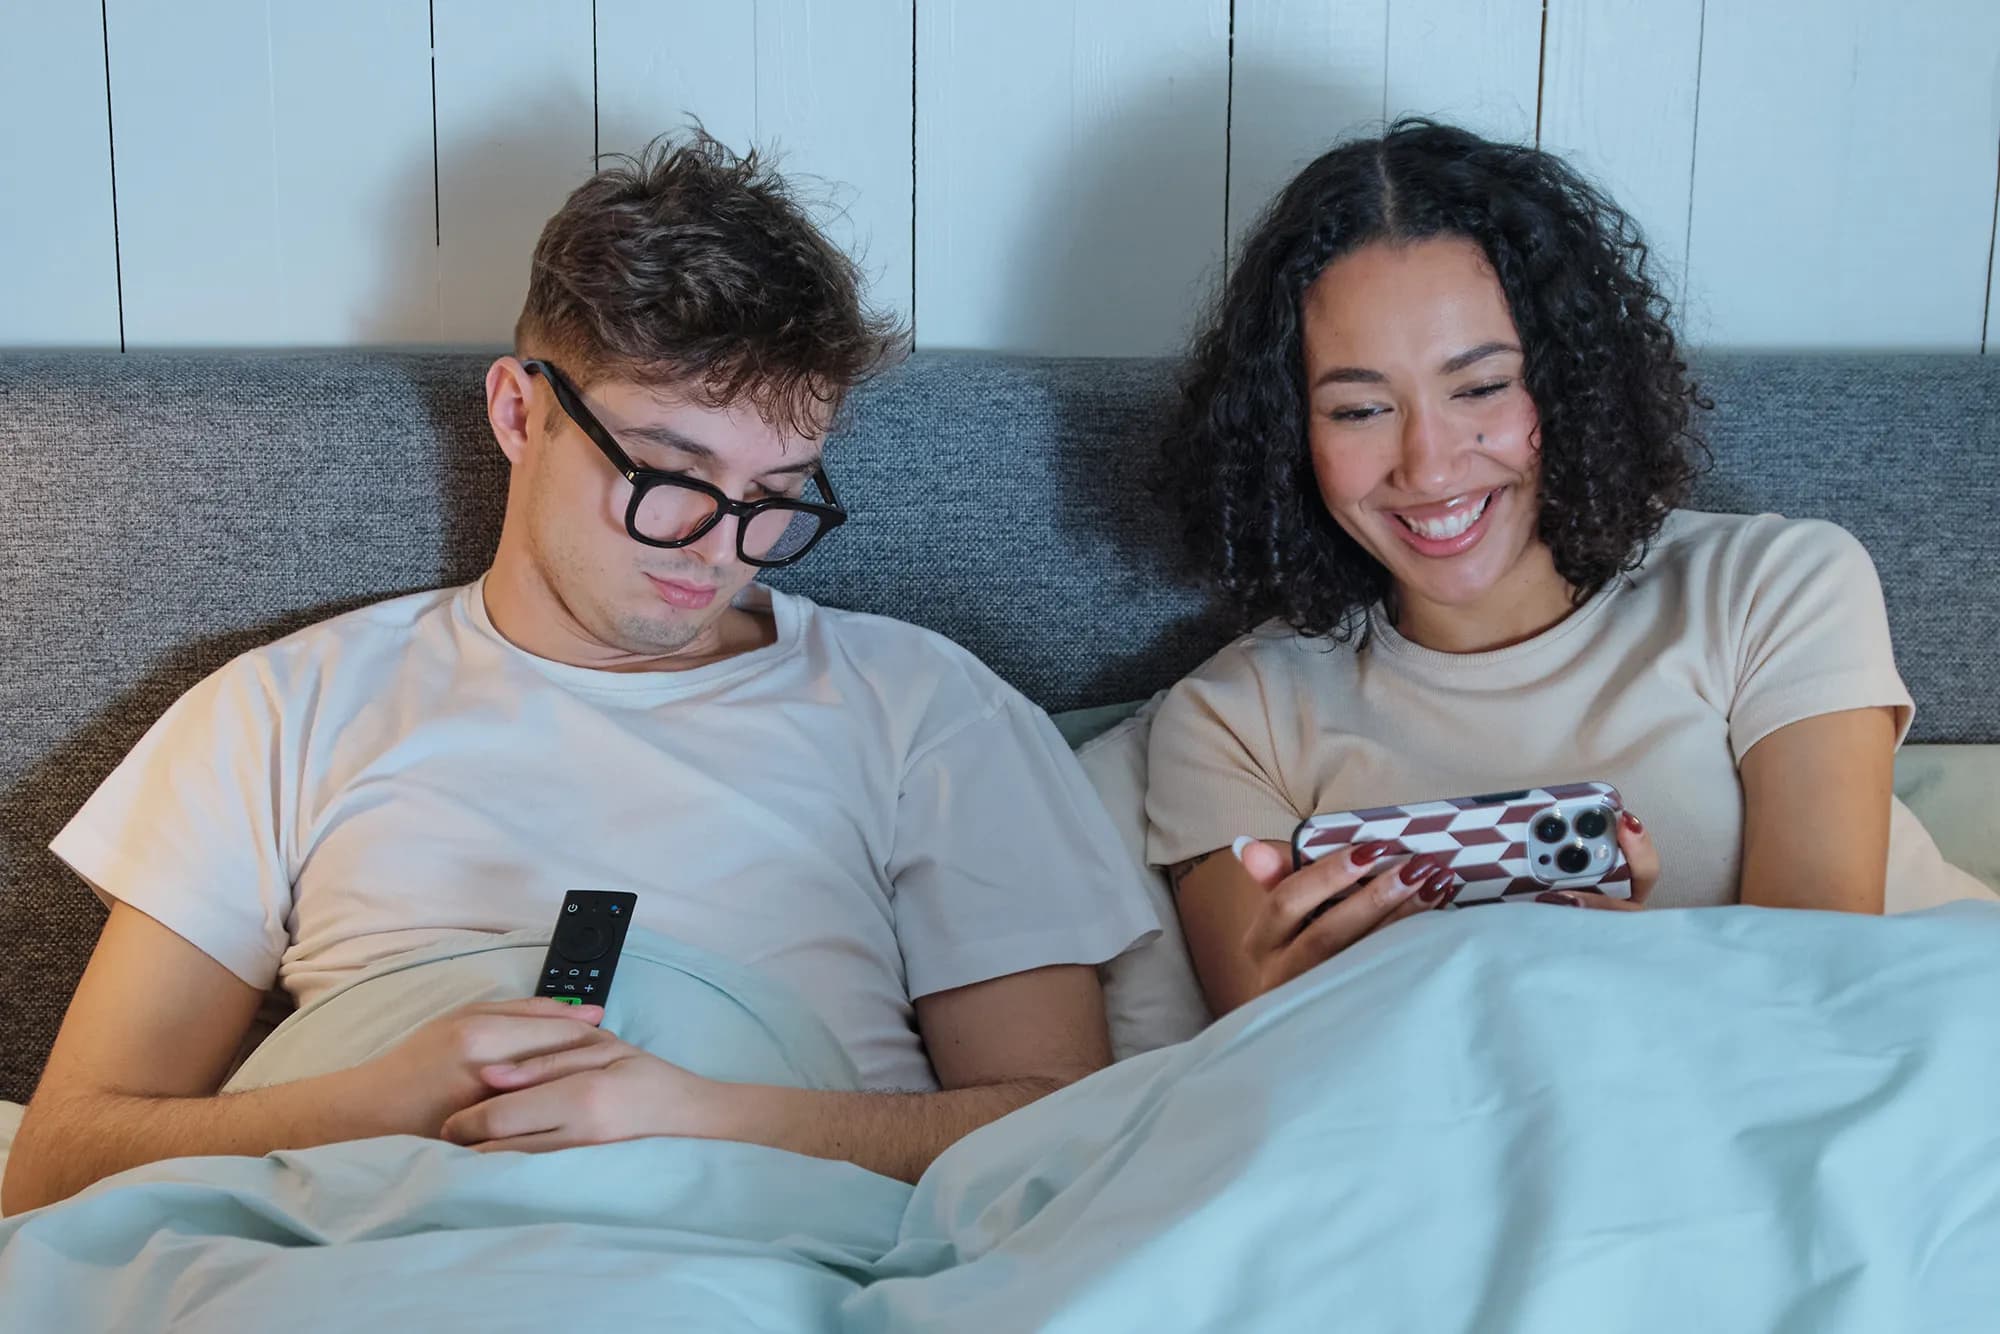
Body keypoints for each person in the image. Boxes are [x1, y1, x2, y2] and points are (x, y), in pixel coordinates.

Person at [3, 134, 1157, 1214]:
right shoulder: (282, 710)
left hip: (762, 1258)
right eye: (670, 472)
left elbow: (1058, 1136)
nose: (720, 549)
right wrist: (385, 1097)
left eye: (776, 496)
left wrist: (703, 1120)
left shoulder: (925, 709)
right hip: (365, 1251)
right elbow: (55, 1166)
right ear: (518, 410)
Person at [1145, 119, 1986, 1018]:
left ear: (1571, 381)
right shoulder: (1230, 726)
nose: (1427, 467)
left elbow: (1818, 989)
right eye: (1358, 410)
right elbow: (1274, 1090)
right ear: (1289, 440)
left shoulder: (1776, 586)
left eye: (1481, 388)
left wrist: (1614, 962)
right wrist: (1287, 1018)